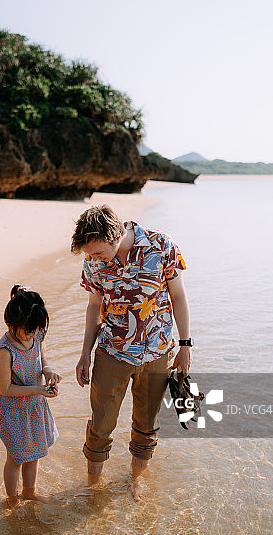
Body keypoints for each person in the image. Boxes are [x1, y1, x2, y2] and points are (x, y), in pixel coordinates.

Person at [71, 205, 192, 494]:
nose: (94, 259)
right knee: (101, 425)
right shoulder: (94, 262)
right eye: (90, 255)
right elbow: (93, 308)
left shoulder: (161, 246)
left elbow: (178, 296)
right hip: (111, 353)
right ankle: (93, 487)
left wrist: (186, 346)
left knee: (146, 424)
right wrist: (84, 354)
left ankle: (136, 480)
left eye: (98, 252)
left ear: (115, 234)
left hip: (158, 354)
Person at [0, 285, 61, 506]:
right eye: (26, 331)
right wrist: (38, 389)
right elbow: (5, 389)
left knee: (35, 452)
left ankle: (29, 491)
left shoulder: (36, 334)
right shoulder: (5, 349)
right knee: (16, 458)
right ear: (10, 325)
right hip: (11, 410)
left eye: (35, 330)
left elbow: (42, 358)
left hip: (33, 406)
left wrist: (47, 371)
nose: (31, 334)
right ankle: (12, 498)